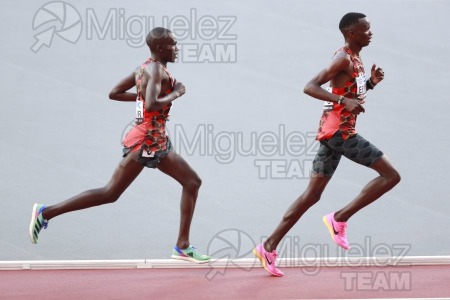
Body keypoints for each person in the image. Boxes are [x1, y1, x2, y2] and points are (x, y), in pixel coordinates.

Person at [29, 27, 211, 264]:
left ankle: (182, 245)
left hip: (155, 138)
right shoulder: (156, 70)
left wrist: (141, 98)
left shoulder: (144, 67)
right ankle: (45, 212)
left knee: (191, 181)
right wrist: (176, 92)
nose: (177, 49)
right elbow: (154, 104)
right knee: (110, 192)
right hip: (148, 141)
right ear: (159, 48)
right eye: (172, 45)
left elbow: (115, 93)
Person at [253, 12, 401, 276]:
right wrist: (344, 102)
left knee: (311, 195)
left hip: (332, 134)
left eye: (370, 29)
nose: (370, 32)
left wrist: (371, 83)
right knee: (391, 176)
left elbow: (350, 90)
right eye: (365, 29)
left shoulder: (355, 58)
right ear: (351, 33)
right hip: (341, 134)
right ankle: (339, 218)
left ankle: (268, 246)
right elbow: (310, 86)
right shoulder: (342, 58)